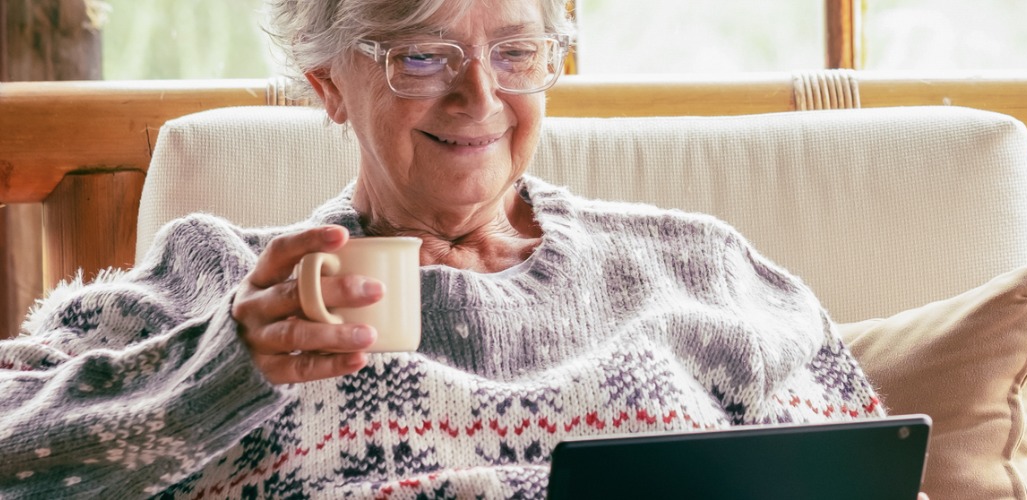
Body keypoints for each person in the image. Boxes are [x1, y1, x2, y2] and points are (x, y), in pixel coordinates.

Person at [0, 0, 886, 497]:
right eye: (421, 57)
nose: (477, 96)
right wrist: (215, 372)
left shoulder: (699, 268)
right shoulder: (218, 281)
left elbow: (879, 479)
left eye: (514, 53)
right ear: (328, 87)